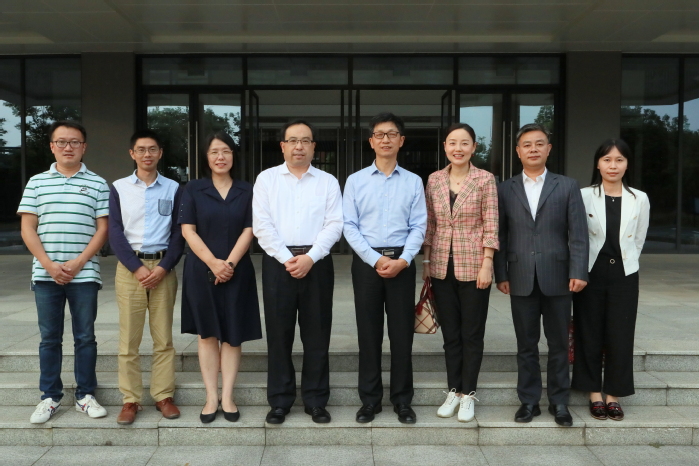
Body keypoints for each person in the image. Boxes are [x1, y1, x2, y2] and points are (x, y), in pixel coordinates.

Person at [493, 123, 588, 427]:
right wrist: (500, 273)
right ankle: (529, 402)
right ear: (518, 151)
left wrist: (578, 270)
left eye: (539, 143)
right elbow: (500, 235)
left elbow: (578, 234)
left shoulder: (567, 186)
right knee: (526, 344)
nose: (533, 149)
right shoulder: (504, 189)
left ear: (549, 148)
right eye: (527, 144)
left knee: (559, 344)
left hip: (559, 276)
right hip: (520, 275)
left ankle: (560, 402)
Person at [18, 120, 109, 424]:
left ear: (84, 147)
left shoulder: (98, 183)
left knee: (85, 337)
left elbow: (103, 229)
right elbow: (28, 228)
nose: (68, 147)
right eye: (61, 142)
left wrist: (80, 262)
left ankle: (85, 395)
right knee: (49, 338)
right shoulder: (36, 182)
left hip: (84, 274)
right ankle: (50, 397)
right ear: (52, 146)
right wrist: (48, 264)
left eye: (74, 142)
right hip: (46, 275)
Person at [253, 120, 343, 425]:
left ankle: (316, 400)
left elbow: (335, 224)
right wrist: (288, 258)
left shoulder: (327, 181)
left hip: (317, 263)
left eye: (305, 141)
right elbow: (262, 225)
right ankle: (280, 401)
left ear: (314, 146)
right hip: (278, 263)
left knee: (317, 334)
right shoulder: (266, 180)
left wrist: (310, 257)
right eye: (293, 141)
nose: (299, 146)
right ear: (283, 146)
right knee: (279, 334)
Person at [344, 112, 427, 425]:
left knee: (402, 335)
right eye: (379, 134)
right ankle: (370, 401)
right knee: (369, 334)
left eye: (392, 134)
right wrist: (375, 259)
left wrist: (403, 260)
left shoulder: (413, 181)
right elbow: (349, 225)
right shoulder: (355, 181)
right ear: (371, 141)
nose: (386, 139)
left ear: (401, 141)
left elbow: (419, 225)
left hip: (402, 263)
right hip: (367, 264)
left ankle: (402, 401)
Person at [179, 131, 262, 423]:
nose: (220, 157)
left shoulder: (247, 190)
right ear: (206, 157)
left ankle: (227, 396)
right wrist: (214, 263)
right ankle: (210, 397)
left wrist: (229, 264)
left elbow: (250, 230)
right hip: (201, 270)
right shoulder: (193, 189)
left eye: (226, 151)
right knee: (208, 334)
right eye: (214, 152)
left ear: (234, 155)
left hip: (237, 271)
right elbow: (188, 230)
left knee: (233, 335)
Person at [422, 123, 499, 422]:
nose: (458, 148)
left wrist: (487, 263)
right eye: (452, 142)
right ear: (445, 147)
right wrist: (427, 263)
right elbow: (430, 224)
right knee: (451, 334)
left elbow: (491, 224)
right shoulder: (434, 179)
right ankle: (453, 391)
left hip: (474, 266)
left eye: (464, 143)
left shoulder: (485, 179)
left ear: (474, 148)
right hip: (441, 266)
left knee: (472, 334)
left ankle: (469, 395)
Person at [108, 129, 185, 425]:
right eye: (141, 149)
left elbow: (179, 232)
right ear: (132, 154)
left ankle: (163, 396)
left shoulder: (174, 188)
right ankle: (131, 400)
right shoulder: (119, 188)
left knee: (163, 338)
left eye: (152, 149)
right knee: (129, 339)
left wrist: (164, 267)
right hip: (131, 270)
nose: (147, 154)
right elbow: (115, 232)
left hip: (164, 268)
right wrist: (137, 268)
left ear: (160, 153)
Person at [572, 139, 650, 421]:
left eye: (619, 160)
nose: (613, 165)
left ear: (627, 164)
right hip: (590, 272)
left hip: (624, 274)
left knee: (621, 333)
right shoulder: (583, 195)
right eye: (607, 160)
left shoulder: (639, 198)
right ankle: (594, 392)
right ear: (598, 163)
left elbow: (639, 238)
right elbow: (576, 235)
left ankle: (613, 395)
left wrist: (627, 261)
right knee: (588, 330)